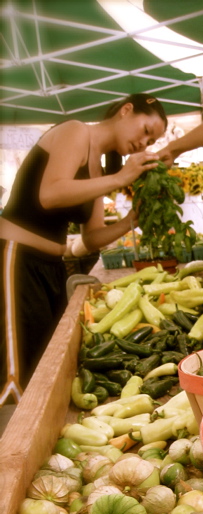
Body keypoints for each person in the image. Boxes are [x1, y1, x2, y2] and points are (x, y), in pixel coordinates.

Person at [0, 93, 167, 405]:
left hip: (50, 269)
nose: (144, 143)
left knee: (45, 363)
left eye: (151, 141)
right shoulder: (75, 131)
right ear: (126, 111)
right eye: (146, 130)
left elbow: (91, 239)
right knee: (16, 375)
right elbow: (49, 193)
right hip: (16, 259)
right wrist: (121, 177)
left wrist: (133, 219)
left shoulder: (99, 169)